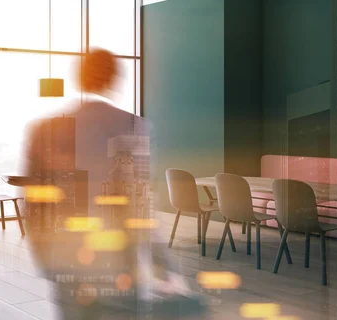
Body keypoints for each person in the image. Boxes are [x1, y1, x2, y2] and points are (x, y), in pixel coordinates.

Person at [20, 48, 204, 319]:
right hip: (117, 263)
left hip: (64, 259)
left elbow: (33, 203)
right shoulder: (132, 126)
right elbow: (140, 208)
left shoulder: (43, 129)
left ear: (78, 77)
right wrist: (165, 268)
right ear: (114, 79)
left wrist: (44, 256)